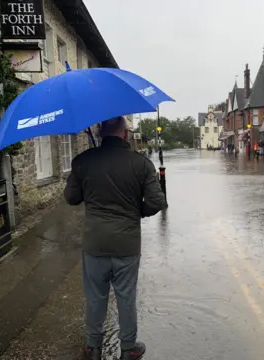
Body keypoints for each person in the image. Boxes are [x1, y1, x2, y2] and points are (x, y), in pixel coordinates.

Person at [64, 116, 166, 360]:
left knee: (96, 296)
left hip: (95, 243)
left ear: (100, 133)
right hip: (127, 244)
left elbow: (71, 198)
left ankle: (93, 347)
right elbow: (157, 202)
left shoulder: (82, 161)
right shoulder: (141, 164)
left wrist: (84, 175)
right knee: (126, 296)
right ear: (126, 134)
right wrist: (135, 212)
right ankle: (129, 348)